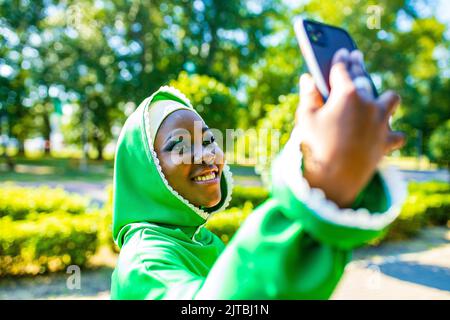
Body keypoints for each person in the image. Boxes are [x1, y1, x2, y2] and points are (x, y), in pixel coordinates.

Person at [110, 49, 406, 299]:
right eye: (179, 145)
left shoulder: (201, 241)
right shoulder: (144, 261)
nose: (207, 154)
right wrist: (323, 184)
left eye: (209, 140)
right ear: (144, 173)